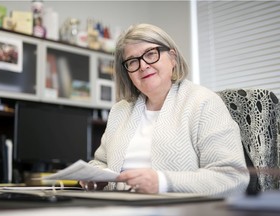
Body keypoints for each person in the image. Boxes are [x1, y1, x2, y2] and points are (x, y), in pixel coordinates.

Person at [81, 23, 249, 197]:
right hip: (115, 207)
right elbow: (100, 162)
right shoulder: (120, 111)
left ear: (172, 58)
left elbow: (232, 178)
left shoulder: (203, 103)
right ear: (127, 73)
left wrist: (162, 182)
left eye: (151, 54)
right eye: (132, 61)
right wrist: (94, 176)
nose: (143, 65)